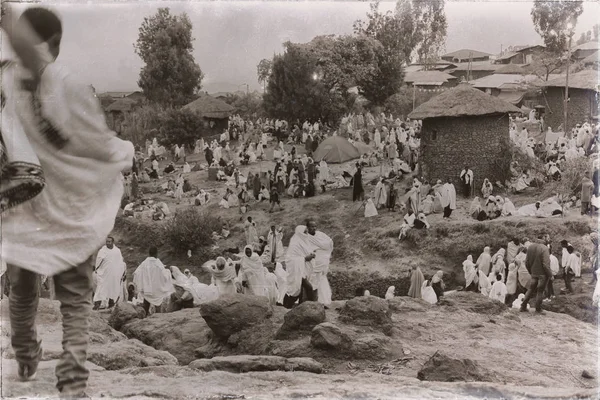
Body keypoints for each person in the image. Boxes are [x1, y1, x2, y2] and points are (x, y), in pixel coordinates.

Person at [1, 7, 134, 397]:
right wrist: (125, 150)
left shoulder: (7, 76)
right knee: (75, 299)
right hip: (71, 210)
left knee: (22, 288)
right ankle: (73, 380)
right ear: (56, 43)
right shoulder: (70, 84)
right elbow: (96, 142)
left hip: (24, 206)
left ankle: (25, 351)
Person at [133, 247, 174, 315]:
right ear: (156, 253)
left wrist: (143, 284)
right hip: (157, 289)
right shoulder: (158, 263)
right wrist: (168, 271)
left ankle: (144, 317)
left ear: (149, 253)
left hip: (147, 289)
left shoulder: (144, 263)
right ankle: (158, 318)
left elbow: (137, 273)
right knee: (158, 304)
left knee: (146, 303)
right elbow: (165, 275)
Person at [520, 237, 552, 314]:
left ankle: (523, 306)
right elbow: (545, 264)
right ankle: (538, 309)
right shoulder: (544, 248)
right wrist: (550, 275)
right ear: (544, 241)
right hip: (542, 274)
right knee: (540, 291)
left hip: (533, 273)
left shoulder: (530, 247)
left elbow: (526, 262)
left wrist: (530, 271)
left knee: (530, 289)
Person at [93, 237, 126, 310]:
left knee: (113, 289)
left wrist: (122, 273)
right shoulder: (102, 251)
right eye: (107, 241)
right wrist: (97, 269)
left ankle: (111, 304)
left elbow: (120, 263)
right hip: (104, 274)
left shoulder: (117, 251)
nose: (107, 243)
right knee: (100, 288)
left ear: (113, 242)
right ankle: (97, 304)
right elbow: (98, 261)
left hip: (113, 275)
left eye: (109, 242)